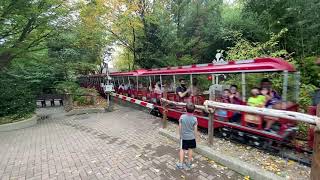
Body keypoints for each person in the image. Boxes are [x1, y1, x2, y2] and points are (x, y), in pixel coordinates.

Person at [176, 102, 198, 170]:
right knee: (190, 149)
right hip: (191, 137)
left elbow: (180, 127)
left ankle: (181, 164)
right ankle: (188, 163)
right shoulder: (195, 119)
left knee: (182, 149)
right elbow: (195, 130)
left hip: (184, 137)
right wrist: (195, 137)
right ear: (194, 110)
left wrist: (180, 135)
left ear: (185, 109)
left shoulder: (182, 117)